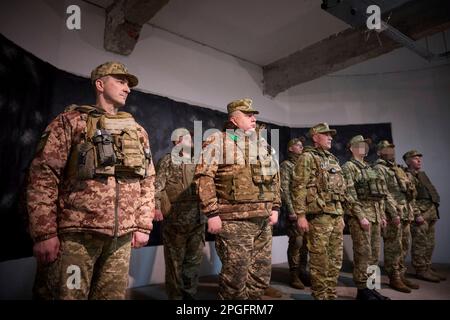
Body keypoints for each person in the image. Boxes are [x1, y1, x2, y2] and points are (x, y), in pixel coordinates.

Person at [27, 61, 155, 299]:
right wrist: (44, 233)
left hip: (121, 239)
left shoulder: (137, 131)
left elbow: (147, 180)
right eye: (120, 81)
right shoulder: (71, 121)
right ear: (100, 84)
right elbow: (44, 175)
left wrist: (143, 224)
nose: (127, 88)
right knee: (68, 296)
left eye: (129, 84)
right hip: (77, 236)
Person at [194, 98, 280, 300]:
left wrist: (275, 206)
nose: (254, 118)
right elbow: (203, 177)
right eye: (248, 115)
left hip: (263, 220)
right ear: (233, 119)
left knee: (260, 276)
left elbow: (275, 177)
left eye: (254, 115)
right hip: (234, 221)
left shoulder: (262, 144)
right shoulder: (218, 140)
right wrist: (212, 213)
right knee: (235, 278)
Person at [291, 123, 361, 300]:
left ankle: (331, 293)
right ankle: (320, 295)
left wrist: (341, 214)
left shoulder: (333, 159)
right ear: (315, 137)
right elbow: (298, 187)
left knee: (335, 259)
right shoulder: (307, 157)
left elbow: (341, 190)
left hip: (335, 215)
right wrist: (300, 215)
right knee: (319, 260)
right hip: (319, 216)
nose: (330, 137)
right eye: (326, 134)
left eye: (331, 135)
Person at [154, 128, 206, 299]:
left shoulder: (198, 161)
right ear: (177, 141)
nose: (191, 142)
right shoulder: (168, 161)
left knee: (193, 262)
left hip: (198, 220)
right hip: (175, 221)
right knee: (175, 263)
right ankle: (175, 297)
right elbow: (157, 187)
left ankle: (189, 295)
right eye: (187, 139)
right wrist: (156, 208)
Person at [342, 135, 389, 300]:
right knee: (363, 254)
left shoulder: (370, 168)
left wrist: (381, 215)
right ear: (352, 148)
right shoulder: (349, 167)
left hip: (375, 216)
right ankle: (362, 290)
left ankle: (372, 287)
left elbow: (379, 195)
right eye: (361, 144)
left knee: (375, 255)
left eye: (366, 145)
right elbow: (349, 194)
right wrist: (361, 216)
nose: (365, 147)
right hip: (361, 217)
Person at [373, 140, 418, 293]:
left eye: (392, 149)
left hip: (405, 212)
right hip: (393, 214)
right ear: (379, 152)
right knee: (393, 246)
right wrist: (393, 213)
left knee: (404, 245)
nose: (390, 151)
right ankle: (394, 277)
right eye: (386, 149)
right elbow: (383, 194)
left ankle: (401, 273)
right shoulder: (379, 168)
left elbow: (407, 192)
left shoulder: (397, 169)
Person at [403, 150, 444, 282]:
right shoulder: (408, 176)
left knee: (430, 243)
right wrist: (417, 214)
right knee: (420, 243)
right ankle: (421, 269)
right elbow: (409, 198)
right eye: (415, 158)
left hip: (430, 212)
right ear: (408, 161)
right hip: (421, 214)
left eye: (419, 158)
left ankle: (427, 267)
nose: (419, 160)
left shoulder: (421, 175)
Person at [280, 137, 310, 289]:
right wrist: (291, 211)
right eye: (298, 145)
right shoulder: (287, 165)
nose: (301, 147)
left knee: (306, 244)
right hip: (295, 212)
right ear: (290, 148)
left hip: (307, 211)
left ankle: (303, 272)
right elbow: (284, 190)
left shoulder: (304, 165)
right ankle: (294, 275)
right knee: (297, 243)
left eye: (302, 145)